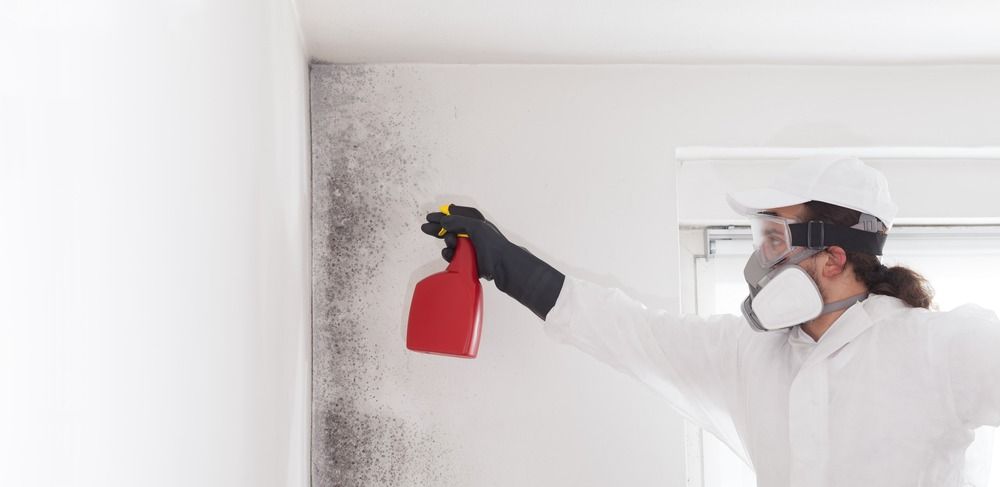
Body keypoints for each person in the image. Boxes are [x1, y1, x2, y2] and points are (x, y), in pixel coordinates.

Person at [420, 155, 1000, 487]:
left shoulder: (940, 347)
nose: (760, 261)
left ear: (833, 256)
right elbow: (624, 331)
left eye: (775, 239)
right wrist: (506, 264)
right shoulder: (748, 355)